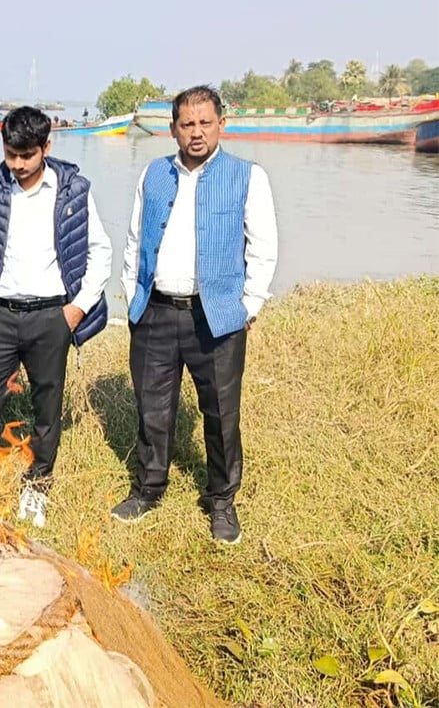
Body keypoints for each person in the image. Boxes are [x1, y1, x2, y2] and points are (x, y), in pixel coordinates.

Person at [115, 85, 278, 544]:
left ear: (221, 125)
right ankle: (148, 489)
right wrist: (133, 297)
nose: (197, 132)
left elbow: (263, 248)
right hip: (156, 312)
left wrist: (249, 306)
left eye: (206, 122)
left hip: (217, 316)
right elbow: (133, 243)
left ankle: (221, 501)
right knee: (152, 407)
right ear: (172, 130)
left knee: (221, 412)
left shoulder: (248, 176)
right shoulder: (154, 174)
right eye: (187, 124)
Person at [0, 106, 111, 528]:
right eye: (11, 155)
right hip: (0, 315)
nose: (19, 165)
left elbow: (101, 251)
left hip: (51, 315)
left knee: (47, 404)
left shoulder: (72, 190)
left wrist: (77, 308)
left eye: (27, 155)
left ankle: (38, 484)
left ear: (46, 146)